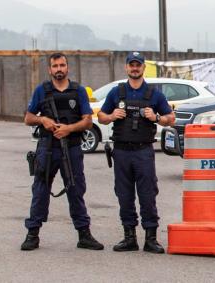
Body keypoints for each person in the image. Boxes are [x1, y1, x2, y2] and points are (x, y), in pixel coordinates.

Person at [22, 52, 104, 251]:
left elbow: (87, 120)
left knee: (75, 189)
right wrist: (43, 120)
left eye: (62, 65)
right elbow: (28, 117)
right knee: (40, 190)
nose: (59, 69)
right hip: (48, 148)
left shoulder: (79, 91)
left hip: (72, 147)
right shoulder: (42, 90)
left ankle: (84, 234)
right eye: (55, 66)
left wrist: (69, 129)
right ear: (50, 69)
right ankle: (33, 234)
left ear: (67, 68)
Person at [98, 52, 174, 254]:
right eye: (131, 65)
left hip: (143, 152)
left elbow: (171, 117)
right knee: (124, 195)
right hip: (121, 152)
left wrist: (156, 117)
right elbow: (101, 116)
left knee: (148, 194)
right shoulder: (117, 92)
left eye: (138, 65)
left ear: (143, 68)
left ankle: (151, 238)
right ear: (126, 68)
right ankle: (129, 237)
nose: (134, 68)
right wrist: (112, 115)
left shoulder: (154, 94)